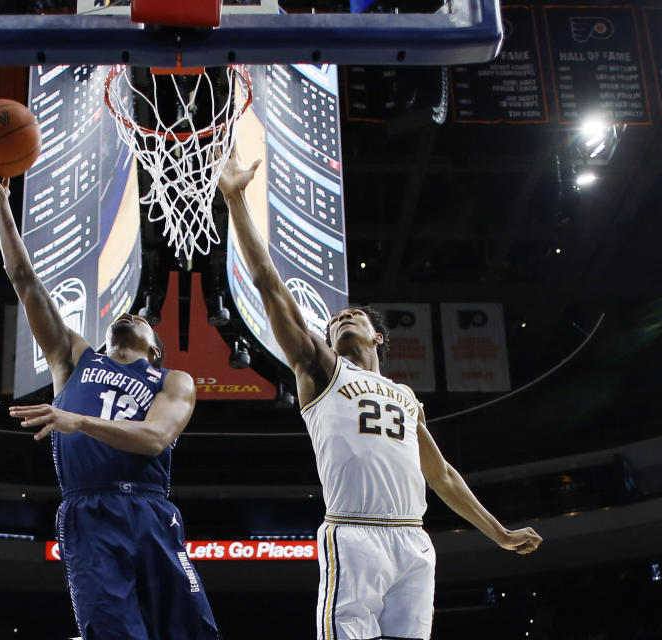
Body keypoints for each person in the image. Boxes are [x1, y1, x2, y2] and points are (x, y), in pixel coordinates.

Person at [218, 152, 543, 640]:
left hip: (413, 539)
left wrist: (499, 532)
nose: (342, 319)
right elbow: (268, 284)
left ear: (378, 337)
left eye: (355, 316)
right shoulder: (321, 369)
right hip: (353, 532)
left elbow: (443, 475)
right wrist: (236, 197)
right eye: (333, 322)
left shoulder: (406, 396)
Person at [0, 154, 220, 640]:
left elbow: (154, 438)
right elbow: (25, 282)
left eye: (143, 320)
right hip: (88, 510)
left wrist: (76, 421)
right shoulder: (74, 359)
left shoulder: (173, 380)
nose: (131, 317)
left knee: (194, 632)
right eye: (125, 317)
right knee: (112, 633)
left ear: (156, 347)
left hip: (150, 510)